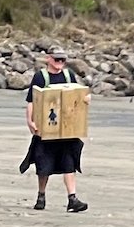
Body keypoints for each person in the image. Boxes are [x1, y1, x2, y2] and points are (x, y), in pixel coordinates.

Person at [23, 51, 89, 212]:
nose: (60, 62)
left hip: (67, 130)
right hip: (47, 129)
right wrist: (30, 121)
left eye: (63, 60)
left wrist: (86, 99)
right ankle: (41, 195)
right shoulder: (40, 77)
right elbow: (32, 100)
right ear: (49, 59)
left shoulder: (69, 75)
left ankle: (72, 198)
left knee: (69, 164)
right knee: (43, 163)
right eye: (57, 59)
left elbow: (78, 96)